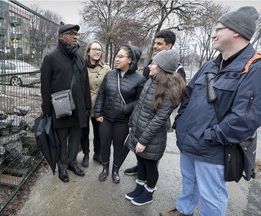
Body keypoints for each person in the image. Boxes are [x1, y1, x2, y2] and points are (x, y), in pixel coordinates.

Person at [160, 6, 261, 216]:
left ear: (236, 31)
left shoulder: (254, 69)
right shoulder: (210, 65)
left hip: (212, 148)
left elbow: (245, 119)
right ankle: (183, 210)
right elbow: (187, 96)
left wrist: (210, 136)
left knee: (211, 196)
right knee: (189, 182)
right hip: (189, 142)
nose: (213, 34)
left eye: (218, 29)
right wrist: (181, 122)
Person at [124, 49, 185, 206]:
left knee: (150, 165)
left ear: (163, 67)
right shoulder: (151, 80)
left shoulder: (171, 89)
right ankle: (139, 187)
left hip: (151, 138)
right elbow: (139, 105)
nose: (150, 66)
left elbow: (159, 119)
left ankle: (149, 192)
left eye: (154, 63)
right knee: (141, 162)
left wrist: (143, 141)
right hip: (139, 130)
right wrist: (131, 123)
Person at [40, 23, 91, 183]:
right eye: (71, 33)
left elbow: (85, 83)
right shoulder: (51, 58)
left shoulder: (79, 58)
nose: (75, 36)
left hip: (78, 107)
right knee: (61, 140)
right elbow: (45, 86)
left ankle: (72, 163)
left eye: (77, 34)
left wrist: (87, 106)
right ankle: (62, 167)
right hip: (60, 108)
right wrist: (47, 110)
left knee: (75, 138)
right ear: (61, 36)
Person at [94, 44, 146, 184]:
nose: (117, 59)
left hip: (122, 121)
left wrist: (125, 109)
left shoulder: (139, 80)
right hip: (106, 118)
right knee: (104, 144)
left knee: (119, 147)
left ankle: (115, 170)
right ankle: (105, 168)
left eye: (120, 56)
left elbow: (140, 101)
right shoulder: (110, 75)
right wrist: (98, 113)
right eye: (117, 56)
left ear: (130, 60)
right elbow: (101, 94)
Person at [80, 40, 110, 167]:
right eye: (94, 49)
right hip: (84, 105)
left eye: (99, 49)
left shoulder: (106, 68)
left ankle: (97, 154)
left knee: (99, 132)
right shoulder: (81, 67)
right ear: (88, 52)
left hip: (99, 107)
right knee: (84, 132)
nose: (97, 51)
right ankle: (86, 154)